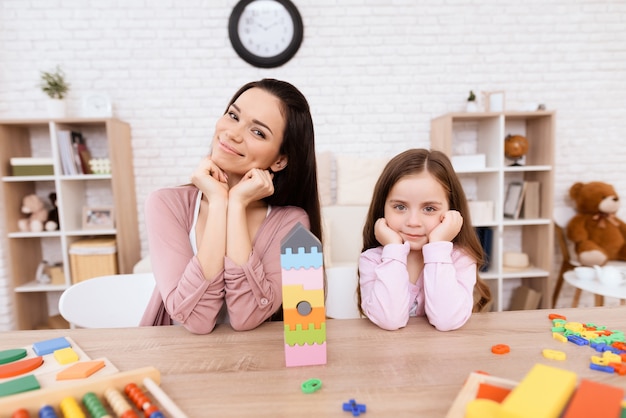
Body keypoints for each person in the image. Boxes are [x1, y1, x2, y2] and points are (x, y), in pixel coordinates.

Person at [140, 79, 322, 334]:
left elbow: (246, 317)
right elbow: (194, 320)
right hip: (177, 361)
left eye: (258, 132)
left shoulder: (291, 223)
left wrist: (235, 204)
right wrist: (218, 202)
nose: (233, 134)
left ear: (280, 160)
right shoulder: (165, 203)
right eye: (233, 115)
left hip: (251, 362)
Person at [357, 149, 491, 331]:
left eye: (429, 209)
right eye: (400, 206)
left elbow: (447, 320)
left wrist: (437, 246)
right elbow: (390, 320)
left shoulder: (459, 259)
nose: (413, 222)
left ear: (451, 210)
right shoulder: (372, 260)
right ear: (383, 209)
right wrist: (394, 250)